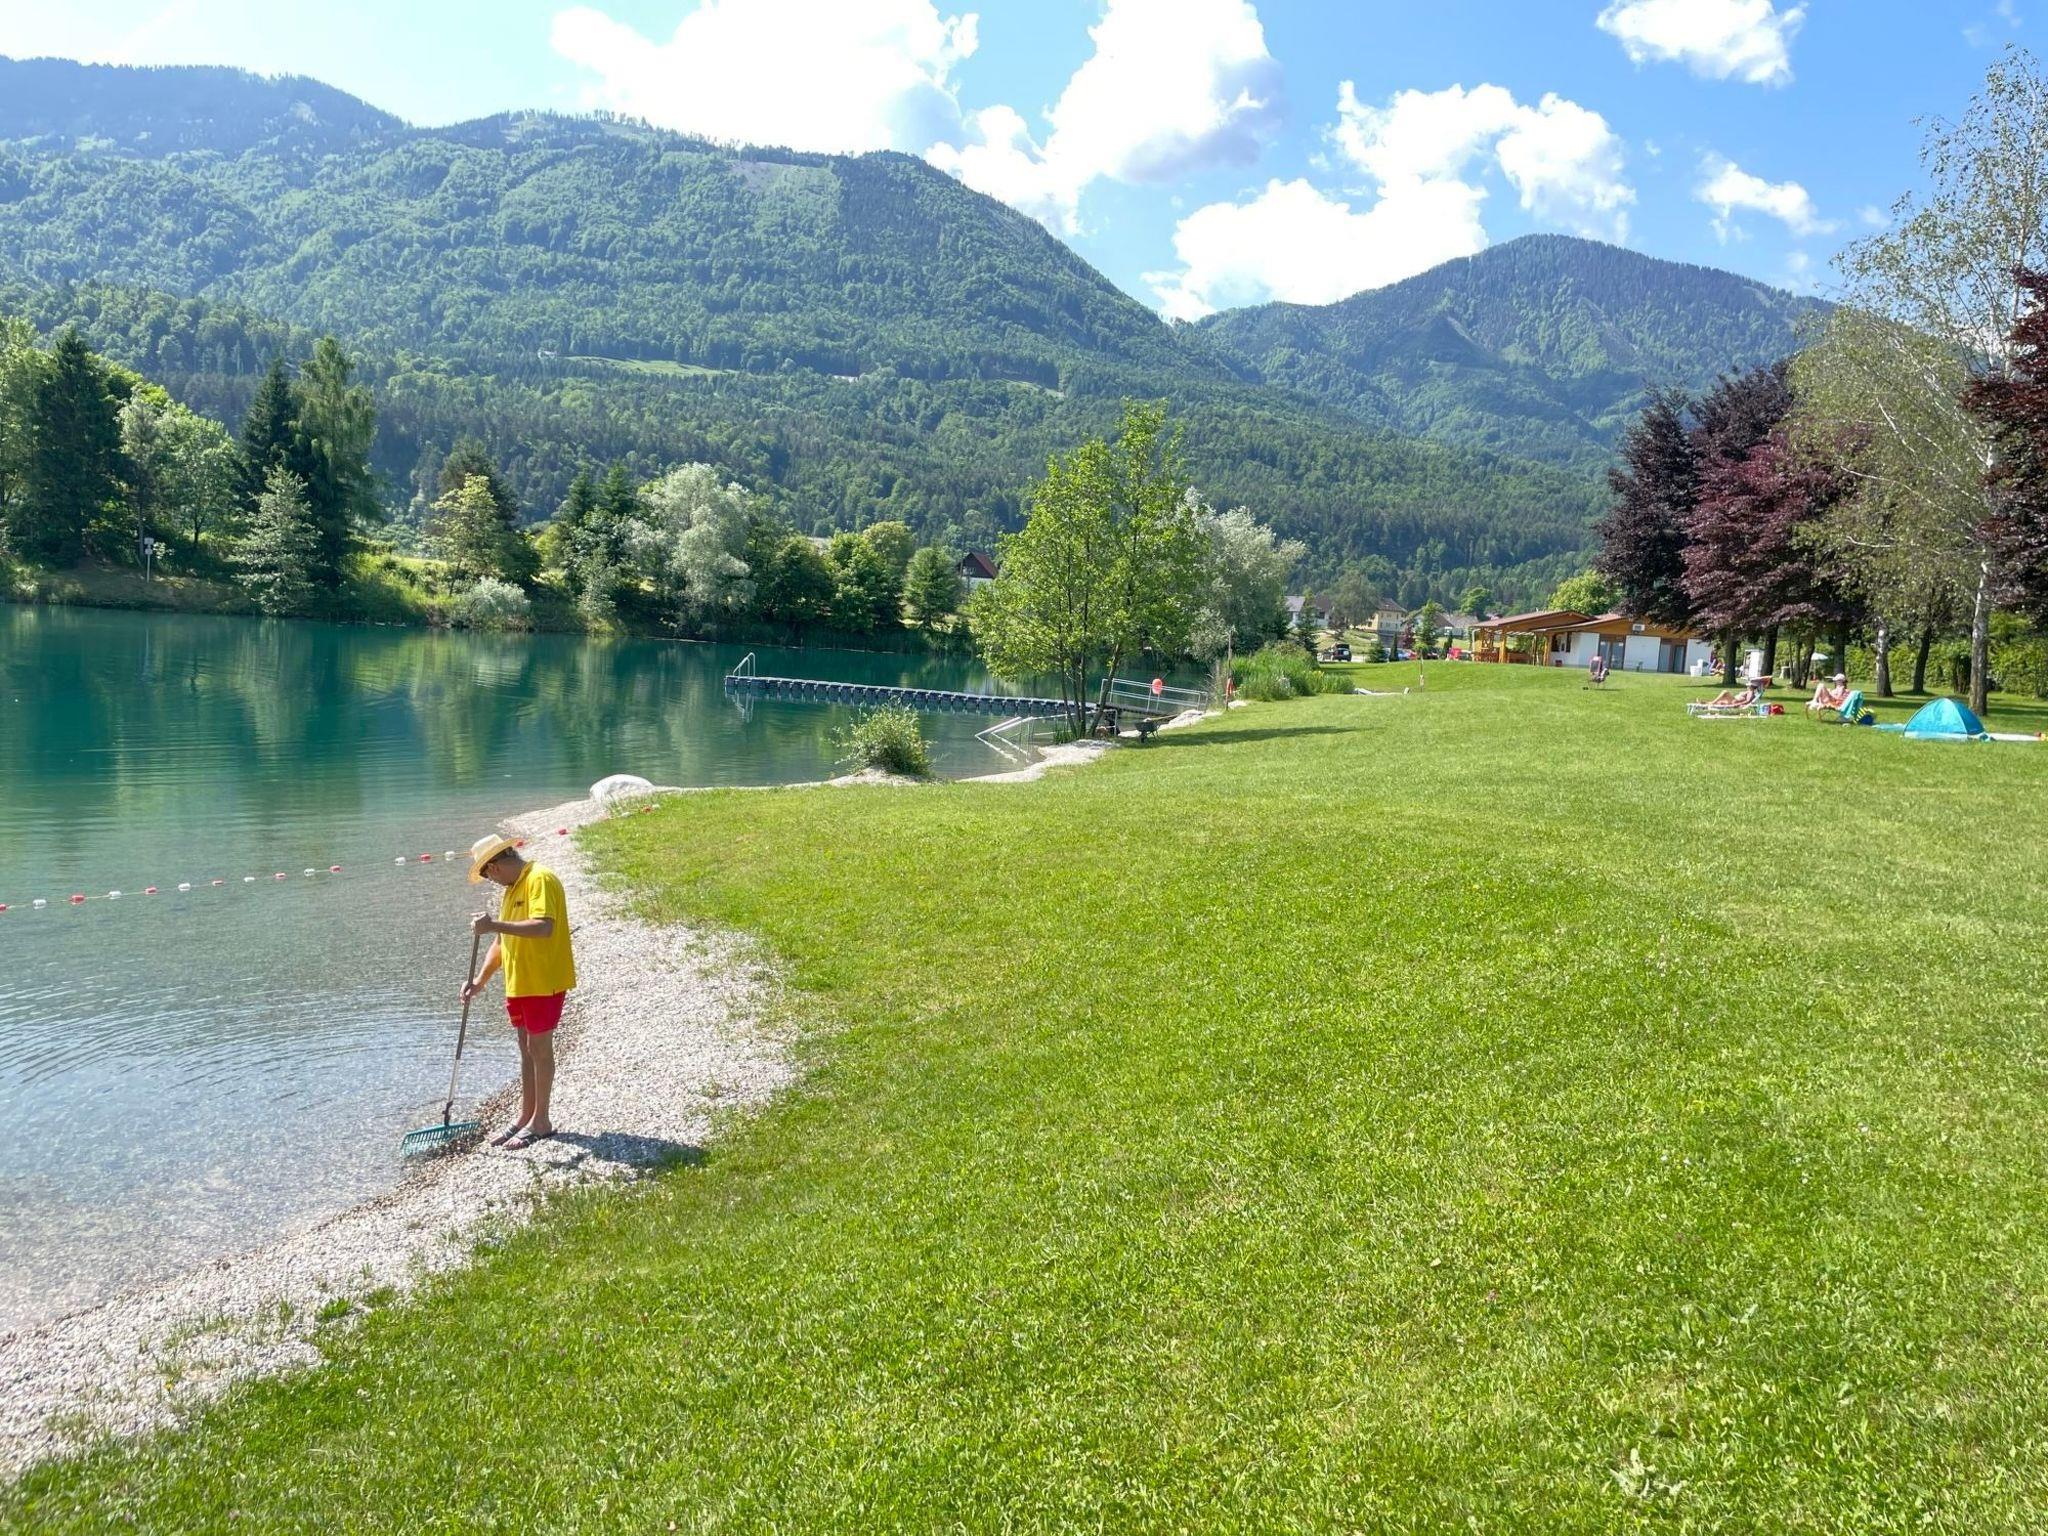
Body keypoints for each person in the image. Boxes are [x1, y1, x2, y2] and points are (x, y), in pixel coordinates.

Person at [462, 833, 577, 1149]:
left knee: (539, 1048)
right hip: (520, 982)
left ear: (494, 867)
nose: (492, 882)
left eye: (488, 877)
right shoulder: (511, 890)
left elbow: (544, 926)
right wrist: (479, 981)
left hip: (543, 979)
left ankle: (542, 1122)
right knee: (526, 1049)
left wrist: (494, 925)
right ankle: (525, 1115)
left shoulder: (540, 878)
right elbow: (501, 944)